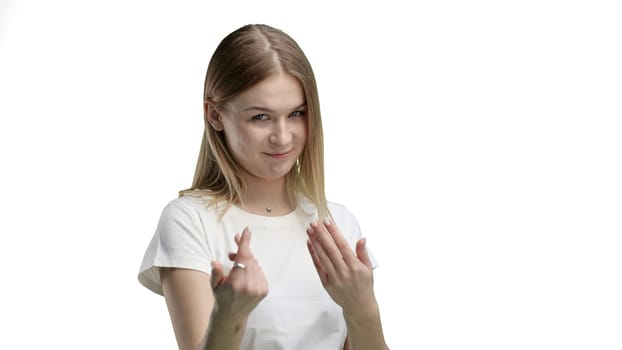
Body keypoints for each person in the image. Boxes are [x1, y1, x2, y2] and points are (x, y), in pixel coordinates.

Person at [138, 23, 389, 350]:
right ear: (215, 115)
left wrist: (363, 309)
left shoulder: (337, 224)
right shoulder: (190, 221)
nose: (282, 137)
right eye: (260, 117)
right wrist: (228, 317)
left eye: (296, 113)